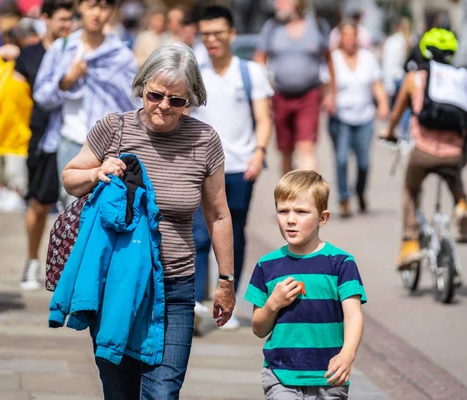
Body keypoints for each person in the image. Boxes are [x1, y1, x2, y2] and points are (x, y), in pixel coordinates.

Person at [60, 43, 236, 398]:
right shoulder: (114, 128)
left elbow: (218, 213)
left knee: (162, 393)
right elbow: (70, 177)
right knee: (120, 392)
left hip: (176, 286)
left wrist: (226, 280)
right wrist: (97, 172)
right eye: (155, 95)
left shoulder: (204, 140)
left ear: (192, 100)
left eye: (177, 100)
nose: (163, 107)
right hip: (117, 287)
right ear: (142, 87)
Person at [245, 170, 367, 399]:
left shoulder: (340, 263)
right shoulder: (267, 265)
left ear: (322, 218)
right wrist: (273, 304)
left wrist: (347, 354)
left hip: (330, 375)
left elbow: (354, 315)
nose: (290, 219)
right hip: (281, 374)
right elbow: (259, 328)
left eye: (301, 212)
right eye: (283, 211)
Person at [191, 5, 273, 331]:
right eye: (206, 34)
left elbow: (264, 118)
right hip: (203, 168)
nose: (211, 40)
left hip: (240, 167)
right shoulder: (195, 72)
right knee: (198, 234)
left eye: (217, 33)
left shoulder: (249, 72)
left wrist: (259, 153)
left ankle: (228, 302)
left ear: (231, 34)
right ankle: (197, 301)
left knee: (234, 234)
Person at [379, 28, 467, 271]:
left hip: (422, 152)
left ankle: (410, 242)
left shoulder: (414, 78)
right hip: (453, 153)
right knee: (454, 178)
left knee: (410, 189)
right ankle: (462, 206)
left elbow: (397, 113)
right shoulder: (462, 79)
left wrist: (389, 132)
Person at [34, 0, 137, 207]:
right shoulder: (62, 49)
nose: (97, 13)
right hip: (70, 141)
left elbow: (132, 104)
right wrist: (67, 80)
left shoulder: (121, 55)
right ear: (79, 7)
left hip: (109, 148)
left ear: (113, 11)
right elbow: (41, 96)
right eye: (91, 5)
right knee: (70, 211)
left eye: (104, 6)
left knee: (104, 212)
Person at [13, 0, 73, 291]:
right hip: (40, 138)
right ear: (46, 19)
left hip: (74, 136)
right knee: (39, 203)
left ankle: (67, 269)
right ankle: (31, 260)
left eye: (70, 19)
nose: (66, 25)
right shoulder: (30, 54)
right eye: (61, 19)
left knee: (73, 207)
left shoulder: (77, 51)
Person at [254, 0, 335, 175]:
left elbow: (329, 61)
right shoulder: (272, 27)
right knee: (285, 152)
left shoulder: (318, 27)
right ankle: (288, 197)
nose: (277, 4)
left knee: (306, 146)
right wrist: (264, 88)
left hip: (309, 95)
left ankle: (310, 198)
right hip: (280, 96)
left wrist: (331, 94)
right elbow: (259, 59)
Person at [328, 19, 388, 218]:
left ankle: (360, 193)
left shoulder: (368, 57)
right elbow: (326, 85)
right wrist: (328, 99)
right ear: (340, 39)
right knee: (342, 159)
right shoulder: (333, 58)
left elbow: (376, 83)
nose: (349, 40)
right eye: (345, 36)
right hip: (341, 116)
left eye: (352, 36)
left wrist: (383, 103)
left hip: (364, 116)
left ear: (357, 38)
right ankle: (344, 198)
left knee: (363, 163)